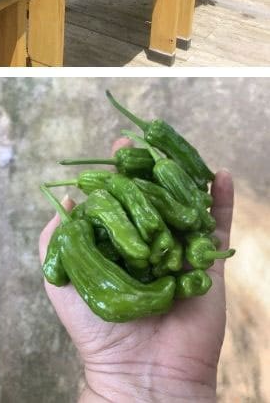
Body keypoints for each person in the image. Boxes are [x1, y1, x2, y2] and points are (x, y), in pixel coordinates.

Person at [38, 138, 234, 403]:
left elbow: (54, 272)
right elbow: (57, 272)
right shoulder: (80, 230)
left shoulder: (79, 229)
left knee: (141, 248)